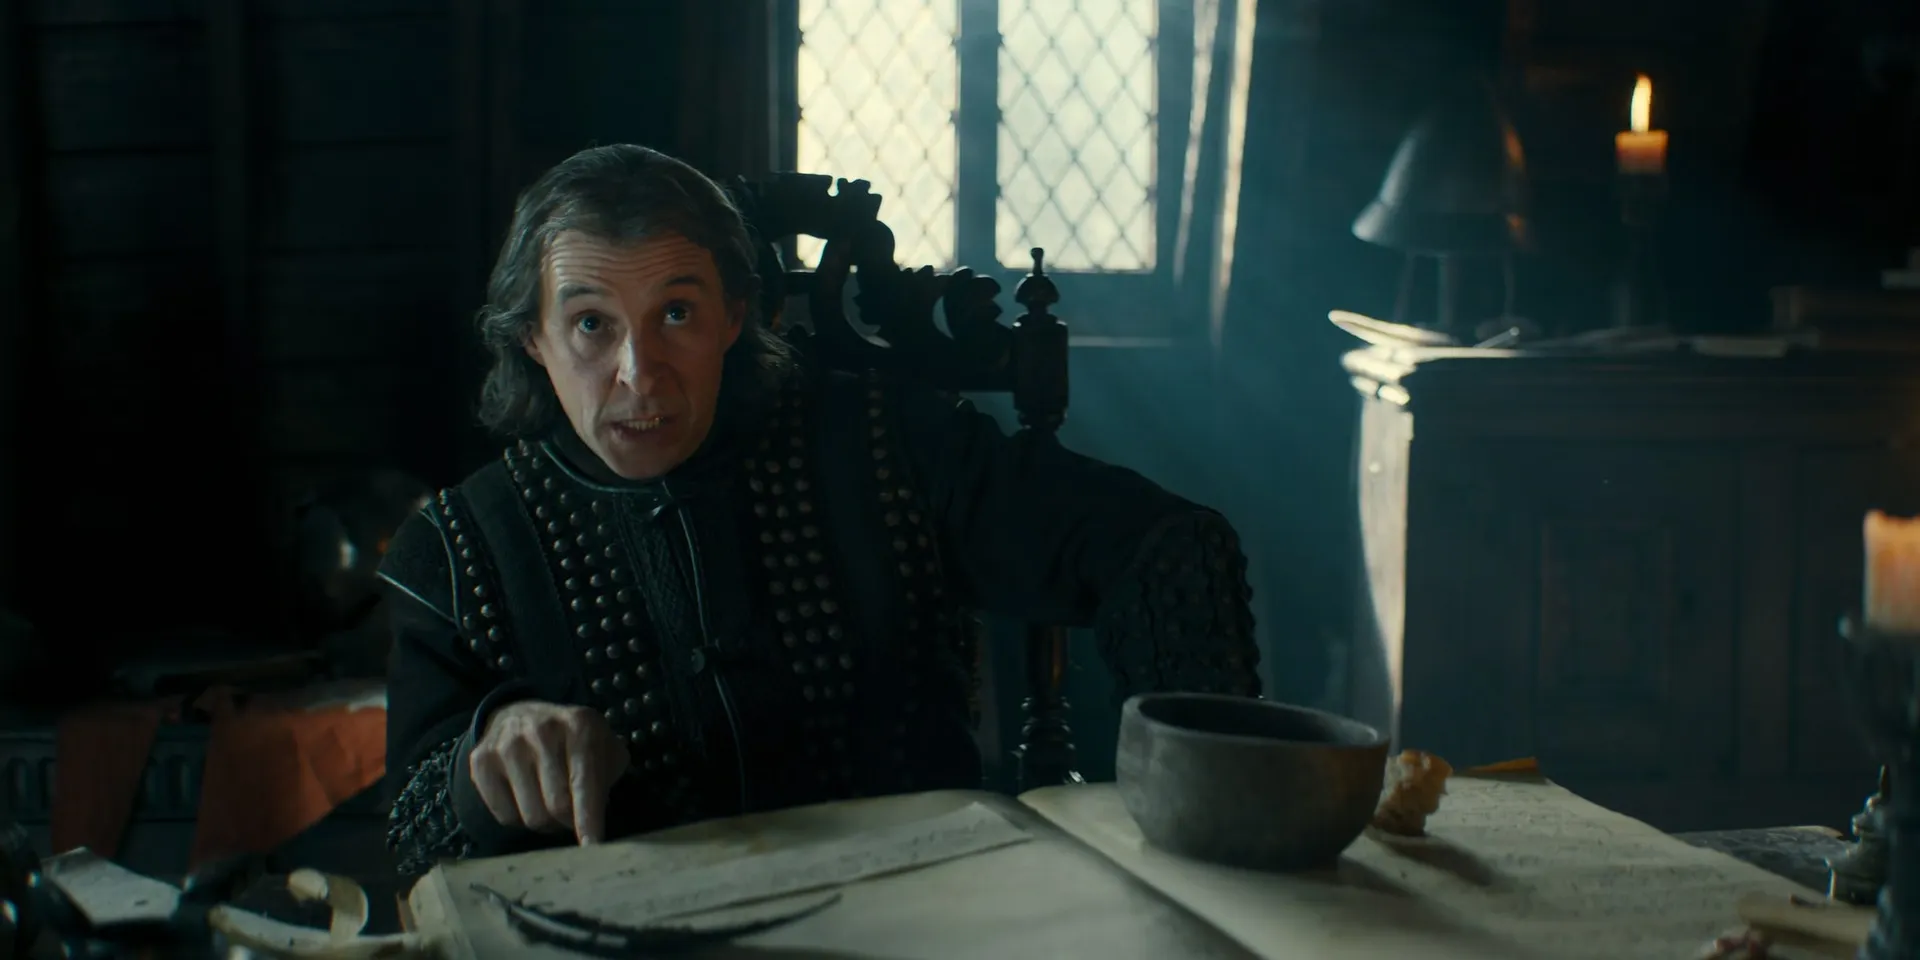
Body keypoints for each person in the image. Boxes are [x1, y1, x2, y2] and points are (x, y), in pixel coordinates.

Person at [379, 144, 1261, 877]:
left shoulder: (887, 445)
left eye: (677, 313)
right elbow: (414, 842)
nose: (640, 376)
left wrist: (1198, 813)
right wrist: (485, 759)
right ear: (531, 338)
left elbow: (1166, 547)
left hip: (917, 911)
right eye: (590, 325)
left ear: (735, 317)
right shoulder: (457, 553)